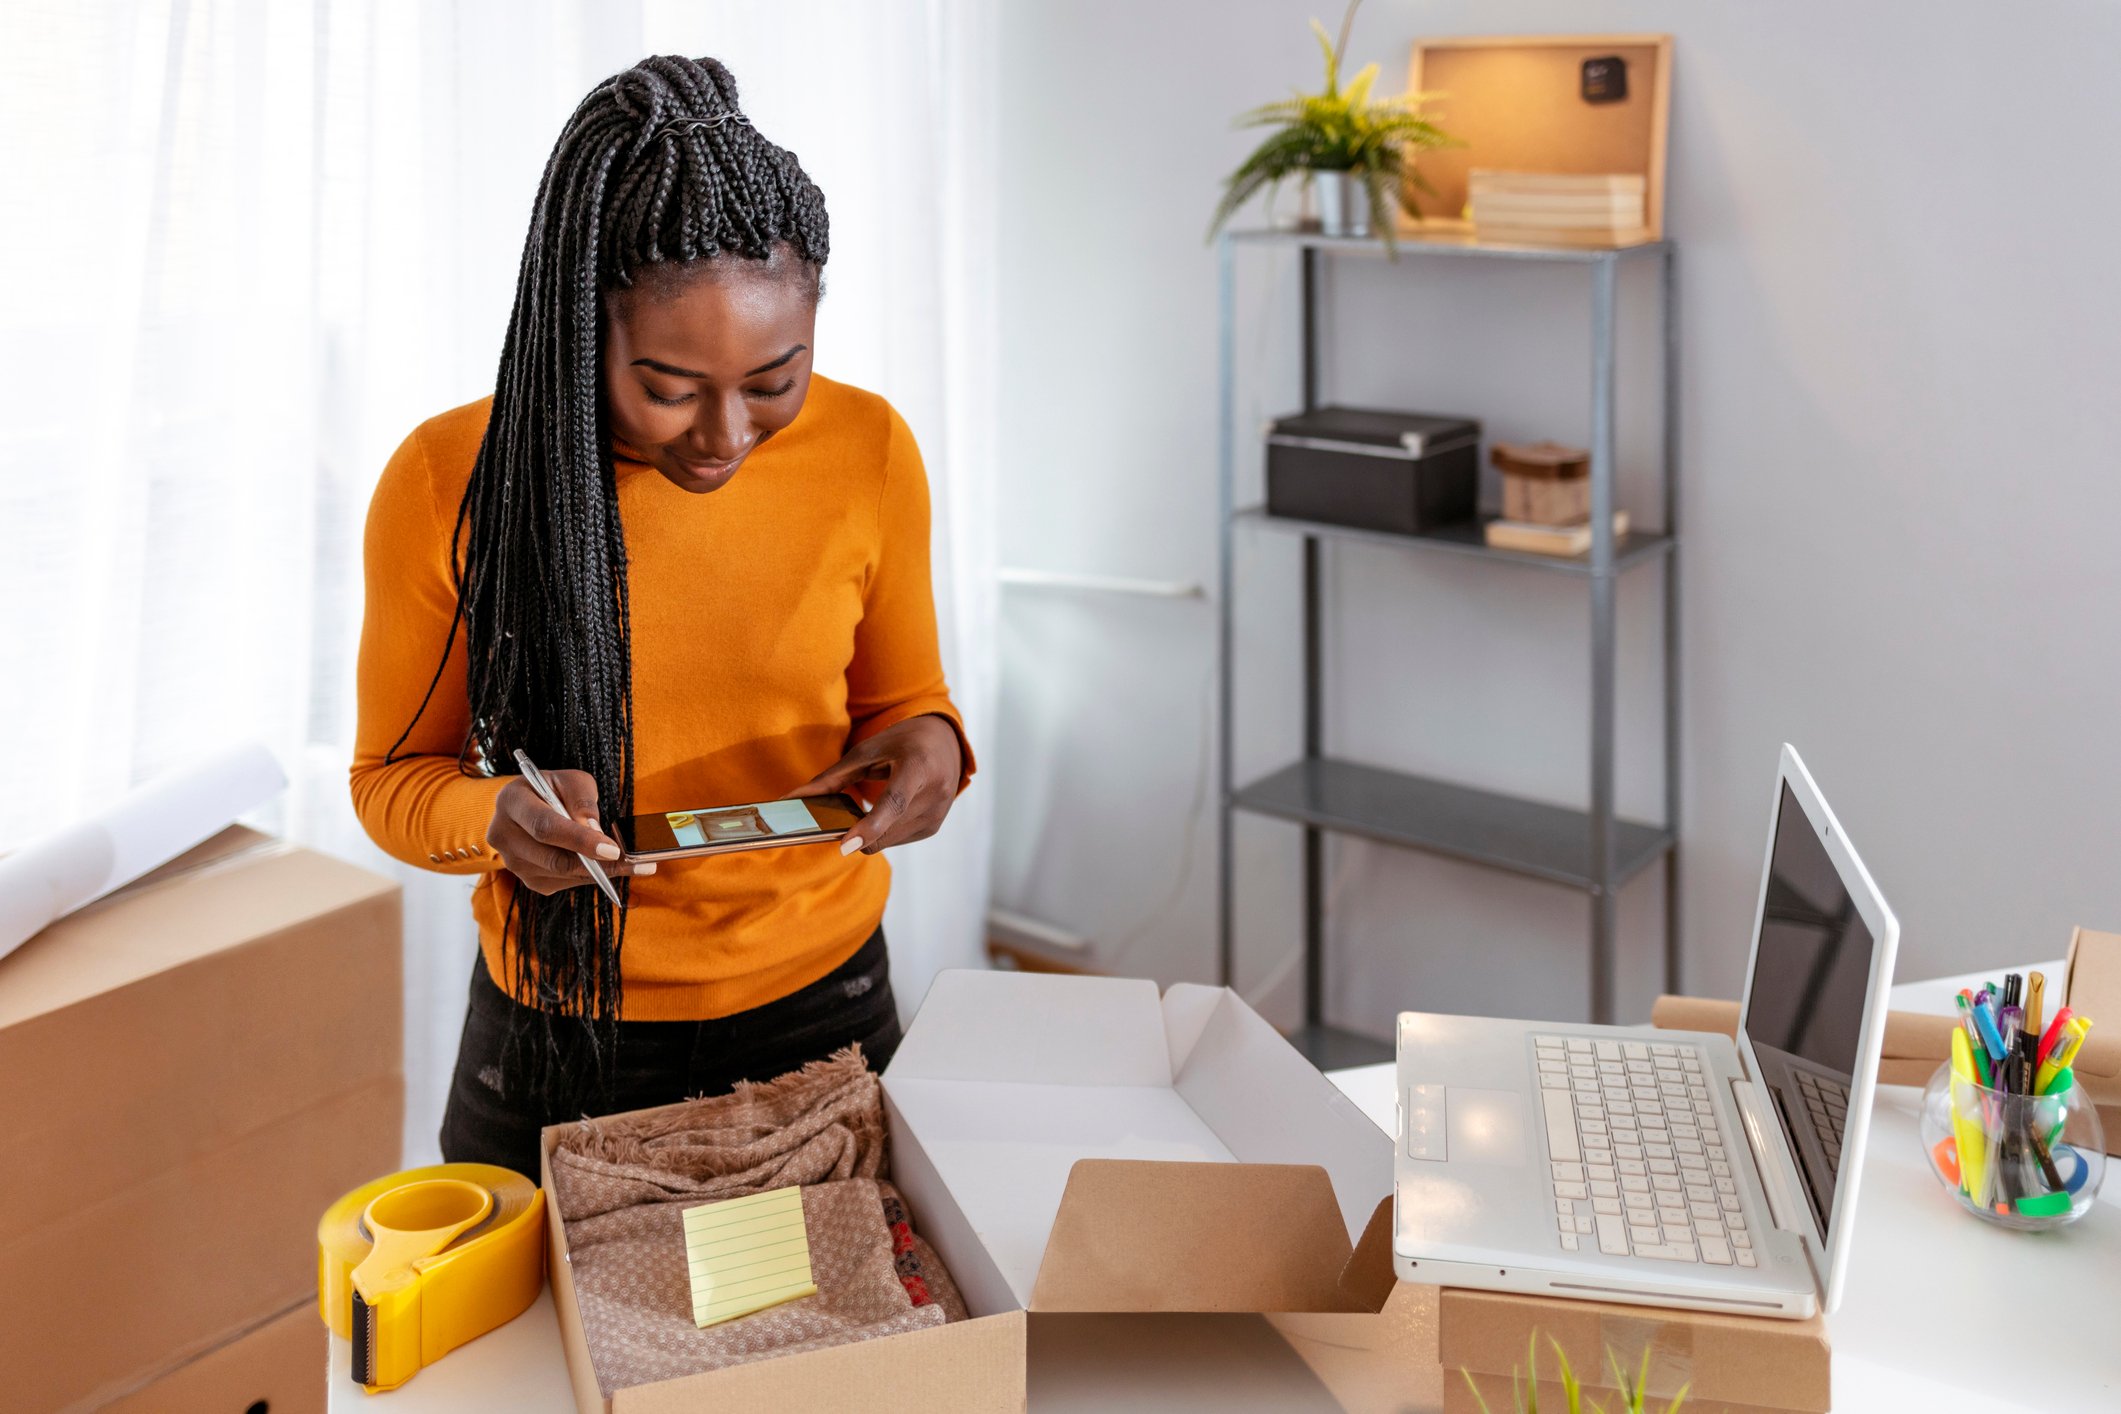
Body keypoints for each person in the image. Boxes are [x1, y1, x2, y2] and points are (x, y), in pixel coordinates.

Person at [349, 54, 970, 1179]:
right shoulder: (453, 481)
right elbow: (390, 780)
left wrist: (932, 748)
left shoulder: (869, 449)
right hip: (562, 1028)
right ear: (579, 332)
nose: (725, 434)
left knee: (849, 1344)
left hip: (826, 999)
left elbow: (904, 700)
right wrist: (493, 816)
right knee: (534, 1358)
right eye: (672, 388)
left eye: (774, 380)